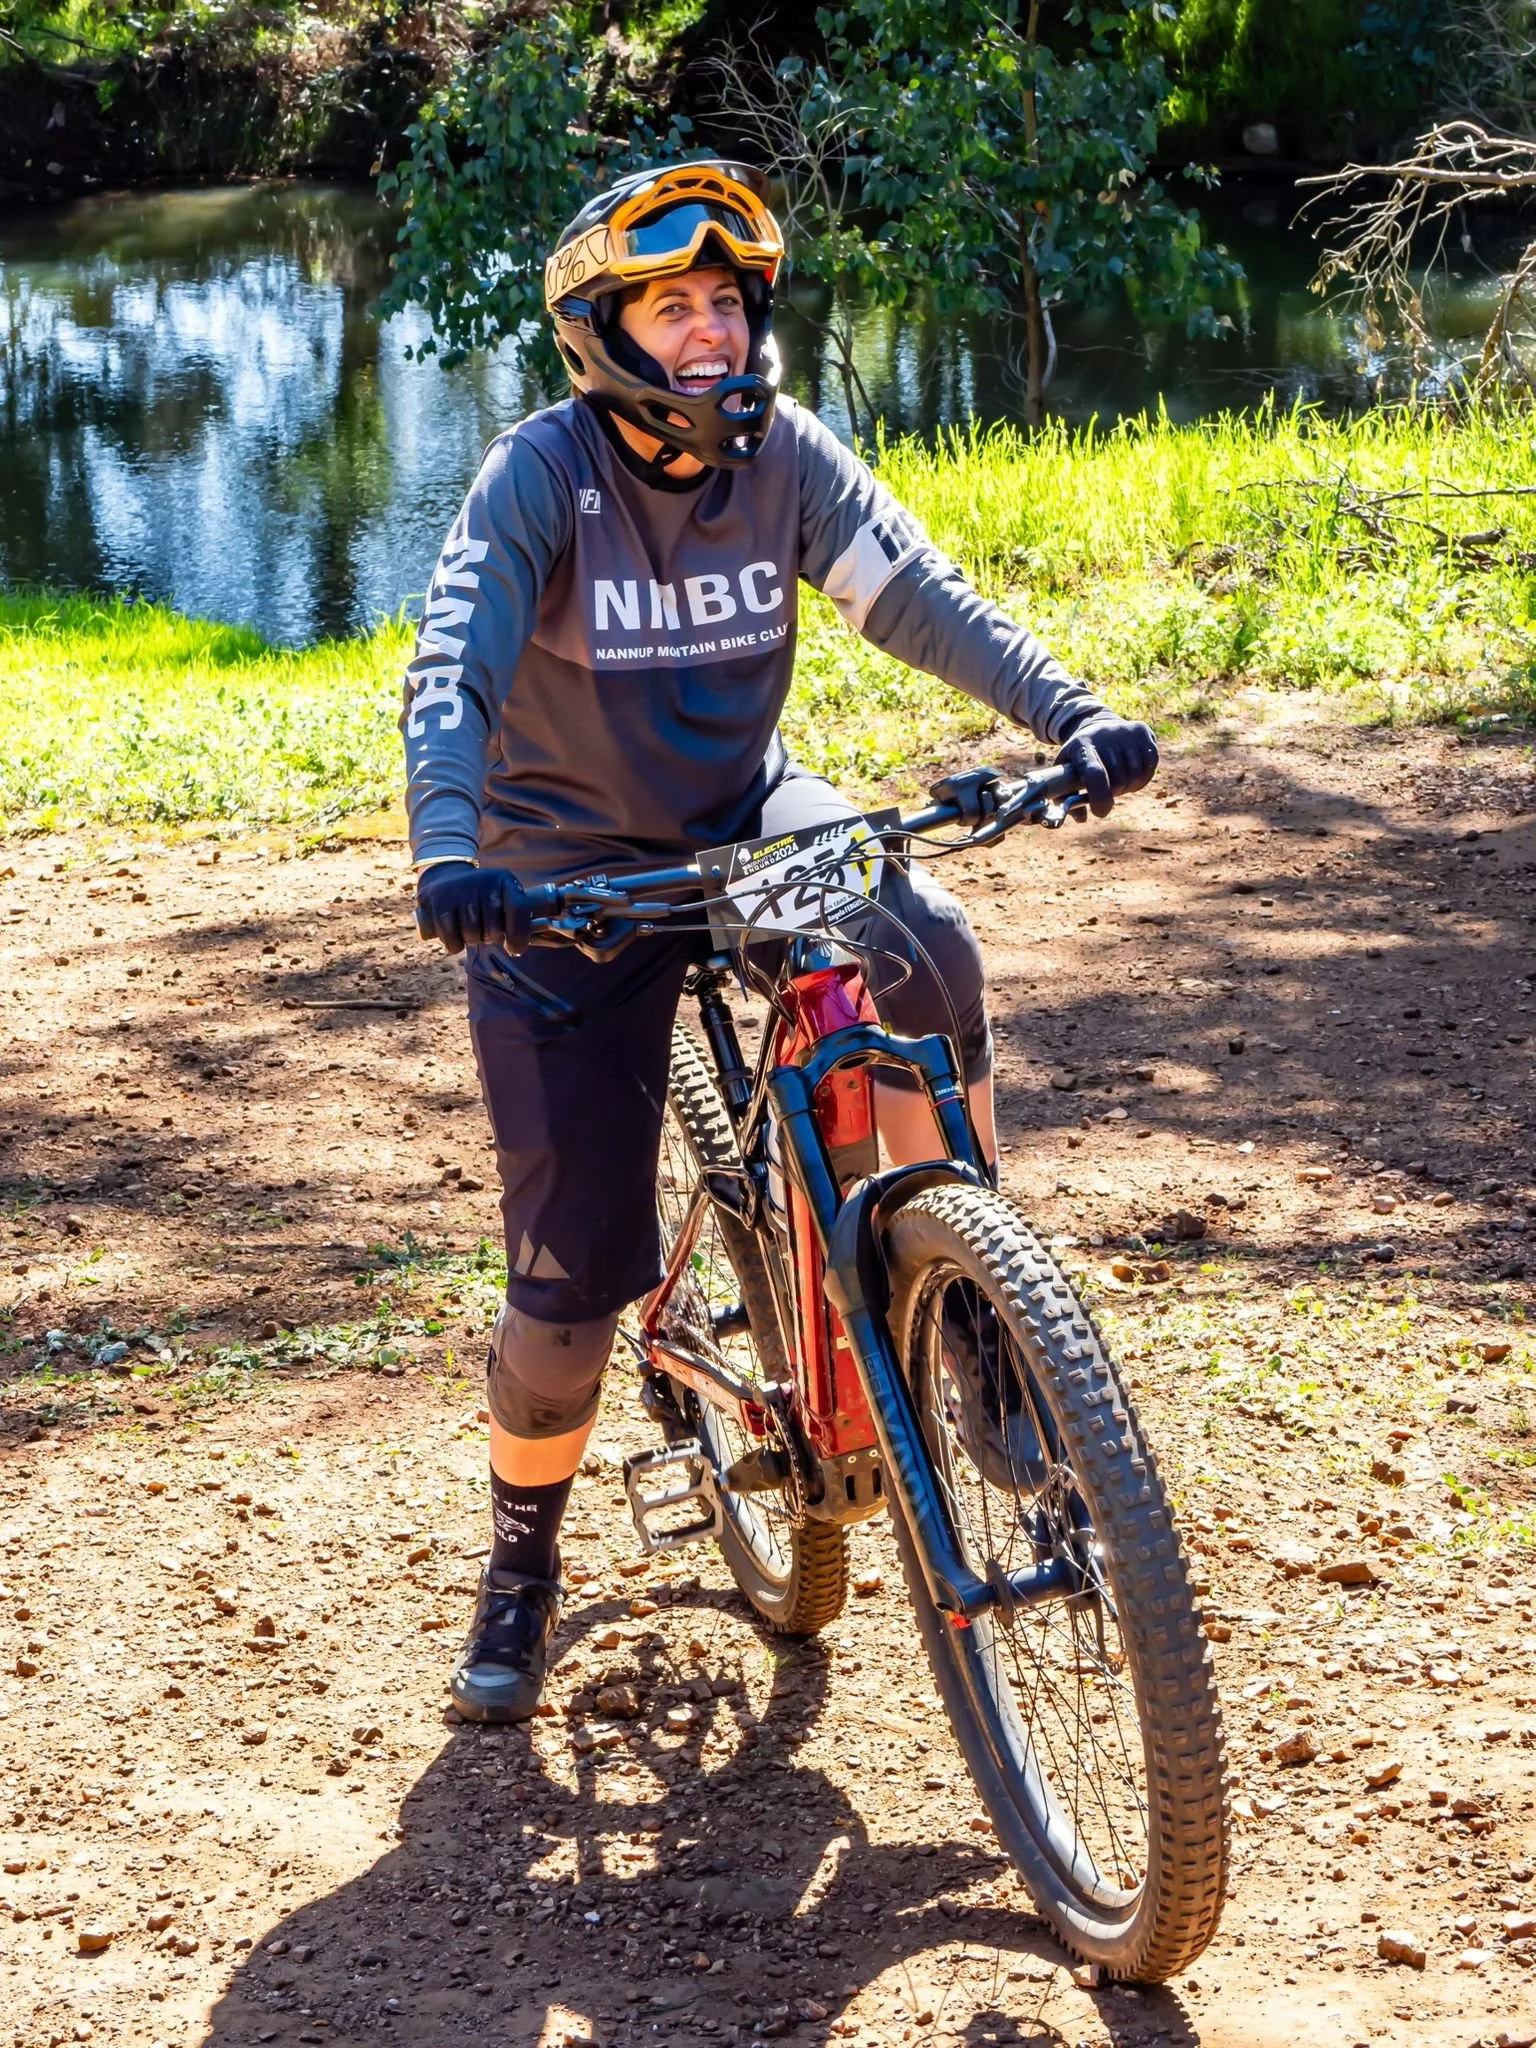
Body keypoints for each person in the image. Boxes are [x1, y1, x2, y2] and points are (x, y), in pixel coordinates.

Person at [401, 159, 1157, 1724]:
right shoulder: (541, 476)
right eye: (673, 303)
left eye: (730, 302)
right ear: (605, 329)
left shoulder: (787, 460)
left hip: (745, 818)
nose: (712, 331)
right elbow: (453, 666)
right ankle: (522, 1558)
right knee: (567, 1294)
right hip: (554, 880)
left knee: (925, 943)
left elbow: (924, 599)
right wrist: (452, 843)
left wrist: (1069, 708)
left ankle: (983, 1327)